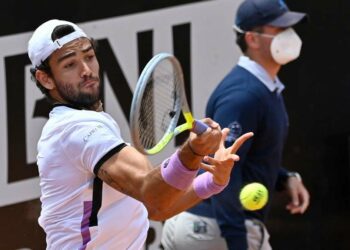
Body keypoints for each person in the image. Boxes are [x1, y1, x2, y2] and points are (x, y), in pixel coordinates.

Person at [28, 19, 253, 249]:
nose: (86, 71)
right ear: (45, 78)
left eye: (89, 56)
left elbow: (159, 207)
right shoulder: (76, 130)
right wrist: (193, 151)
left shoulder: (87, 124)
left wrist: (213, 181)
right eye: (70, 65)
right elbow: (153, 197)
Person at [161, 0, 310, 249]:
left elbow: (246, 158)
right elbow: (222, 169)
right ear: (252, 39)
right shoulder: (244, 95)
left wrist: (285, 178)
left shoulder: (265, 89)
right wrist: (237, 242)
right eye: (280, 29)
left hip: (215, 228)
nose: (290, 35)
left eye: (290, 27)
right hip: (213, 229)